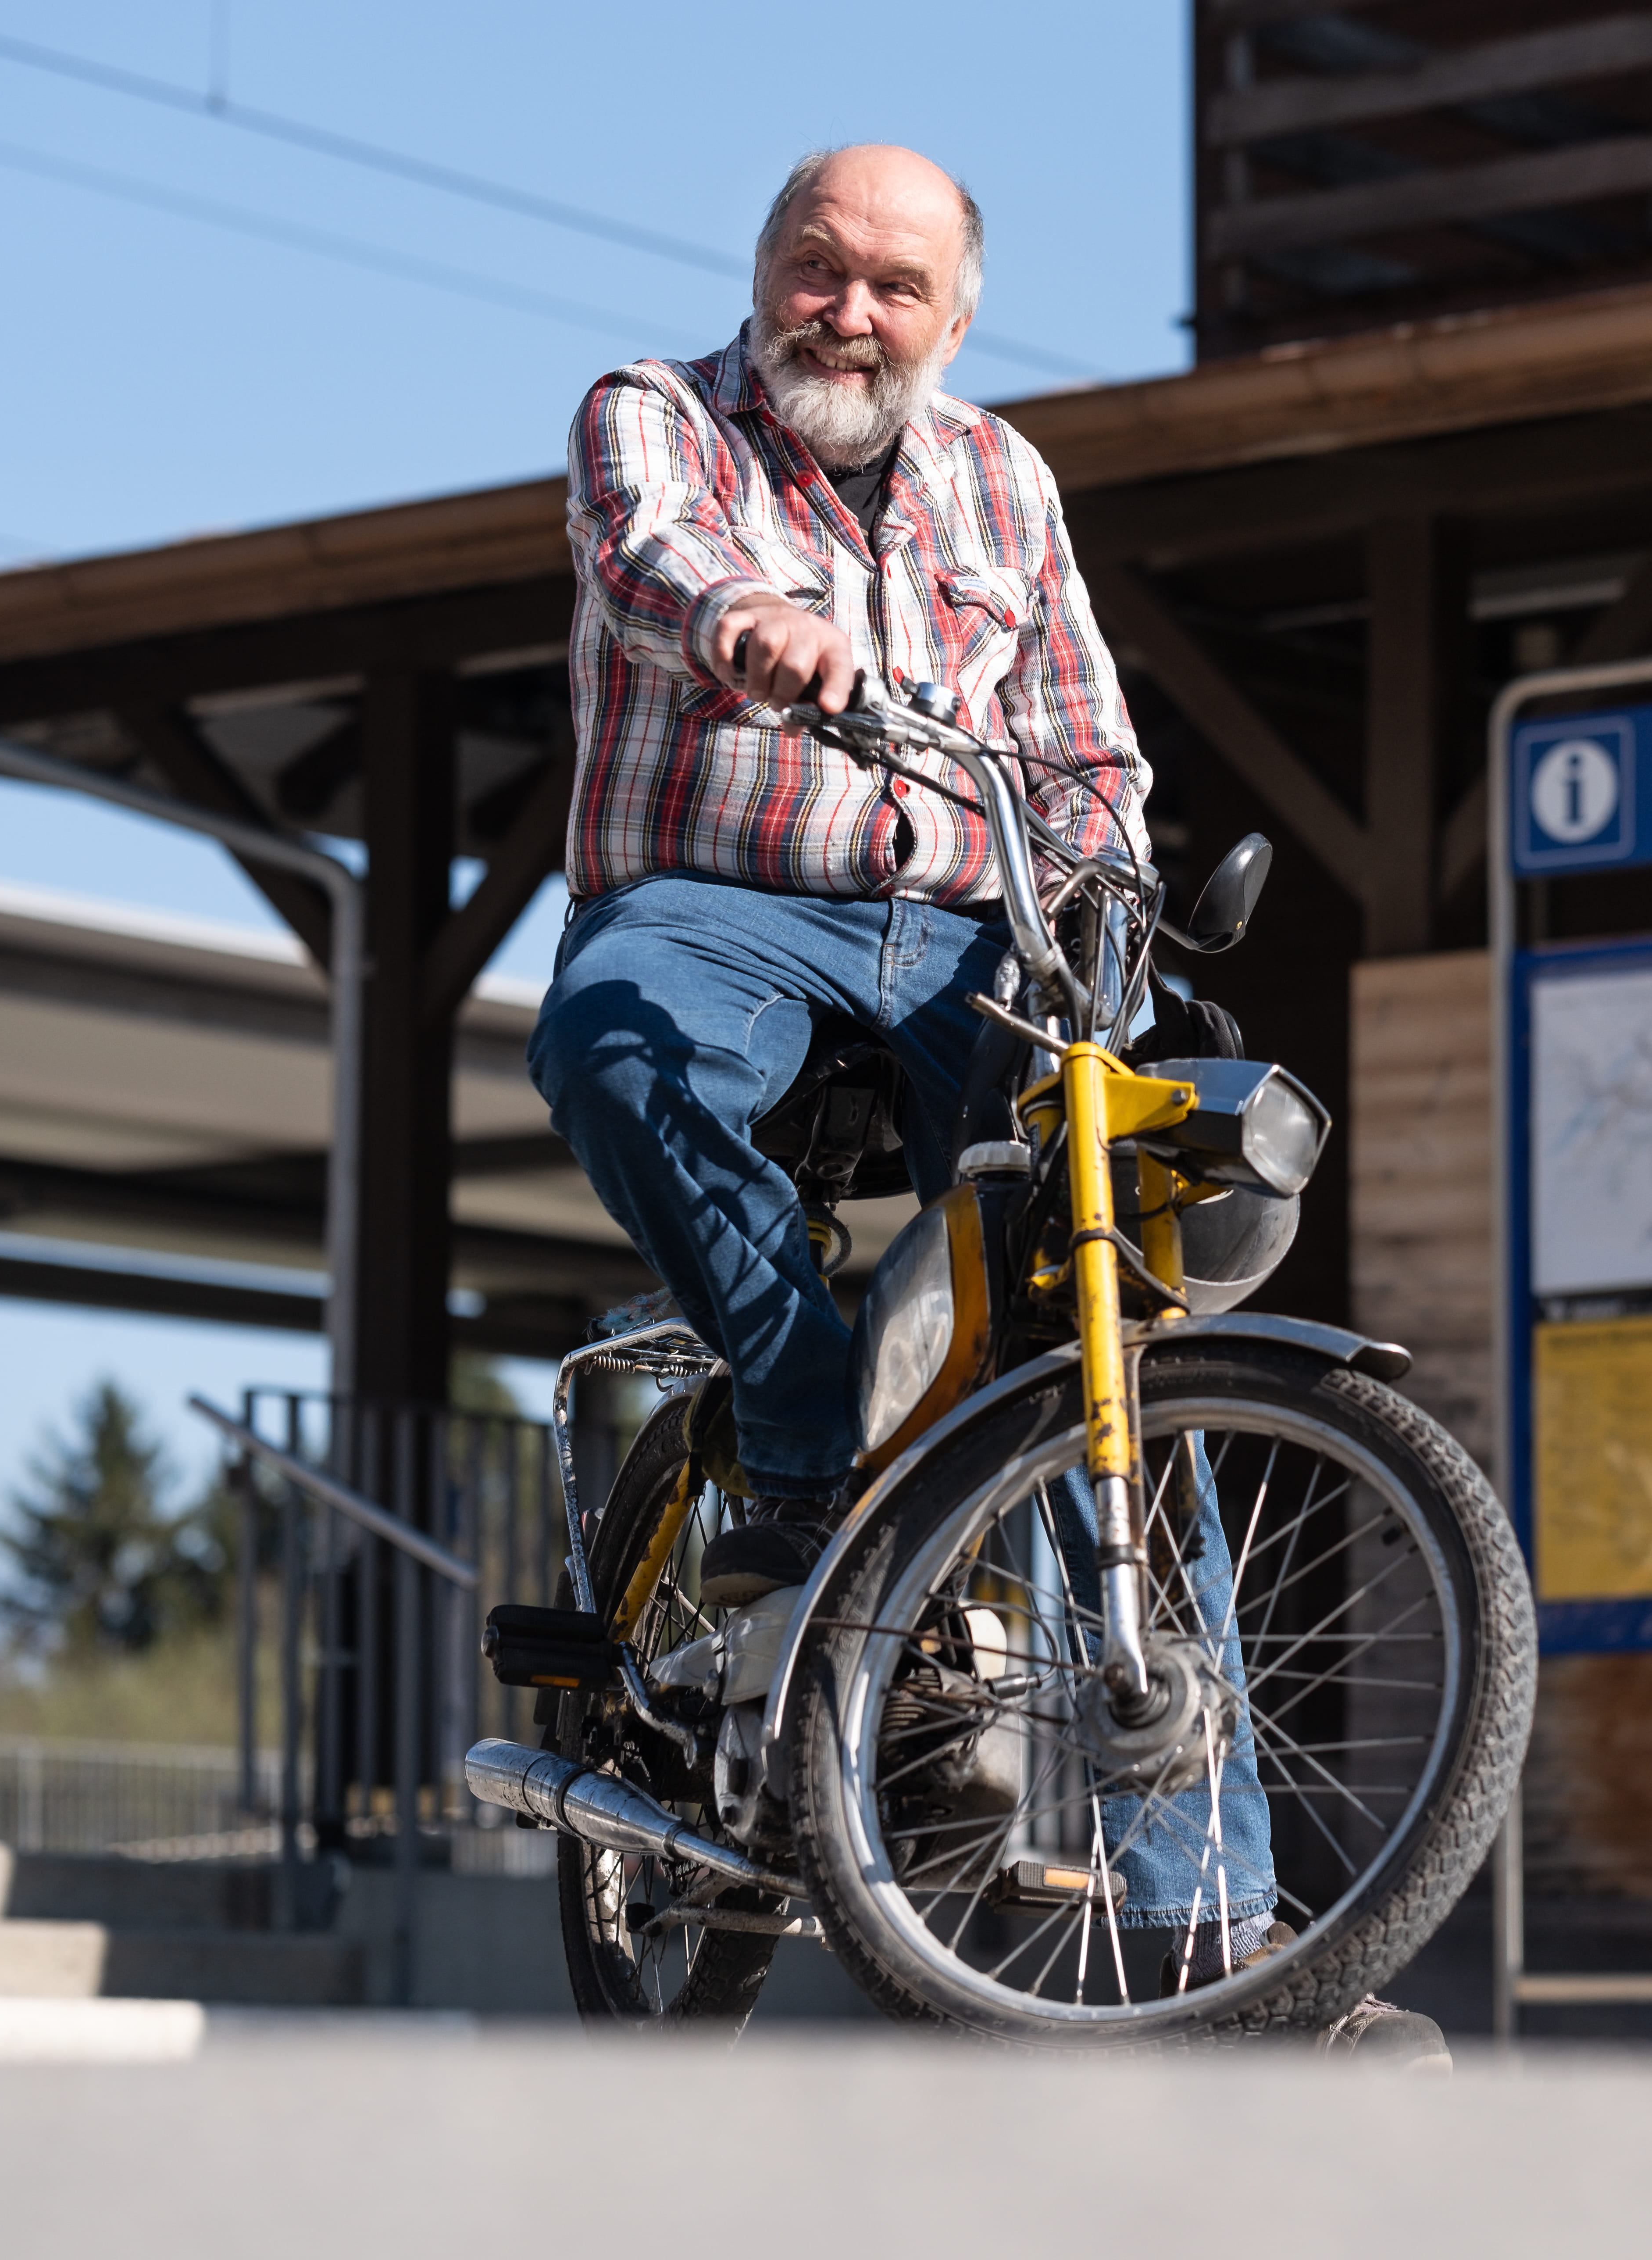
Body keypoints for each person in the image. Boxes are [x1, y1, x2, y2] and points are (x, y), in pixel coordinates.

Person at [530, 145, 1148, 1607]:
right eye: (819, 267)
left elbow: (1083, 752)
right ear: (762, 271)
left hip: (960, 931)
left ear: (954, 323)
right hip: (710, 906)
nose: (848, 310)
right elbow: (649, 556)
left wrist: (1106, 900)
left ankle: (1188, 1812)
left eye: (896, 286)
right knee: (610, 1048)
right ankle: (812, 1446)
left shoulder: (1005, 475)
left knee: (1100, 1317)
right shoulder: (658, 413)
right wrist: (747, 619)